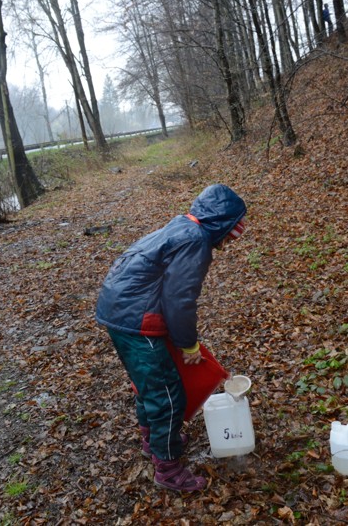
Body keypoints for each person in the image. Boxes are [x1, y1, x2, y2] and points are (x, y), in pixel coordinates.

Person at [95, 183, 247, 492]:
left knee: (150, 385)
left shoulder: (182, 226)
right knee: (167, 394)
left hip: (119, 310)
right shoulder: (196, 241)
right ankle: (168, 470)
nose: (230, 241)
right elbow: (179, 299)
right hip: (135, 318)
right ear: (222, 223)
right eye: (232, 232)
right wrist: (187, 344)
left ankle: (153, 440)